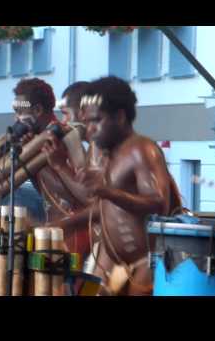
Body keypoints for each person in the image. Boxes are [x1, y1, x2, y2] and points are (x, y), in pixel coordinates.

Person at [43, 76, 182, 295]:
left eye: (95, 121)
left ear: (119, 116)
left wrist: (107, 190)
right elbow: (97, 203)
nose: (89, 130)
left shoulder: (142, 150)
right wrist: (68, 221)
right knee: (84, 293)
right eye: (86, 122)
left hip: (145, 264)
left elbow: (158, 204)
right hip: (109, 258)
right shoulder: (103, 152)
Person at [11, 78, 91, 256]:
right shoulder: (37, 142)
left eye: (19, 111)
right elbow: (45, 191)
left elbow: (85, 197)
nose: (16, 119)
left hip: (77, 239)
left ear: (38, 110)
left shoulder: (66, 137)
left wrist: (55, 165)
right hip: (54, 237)